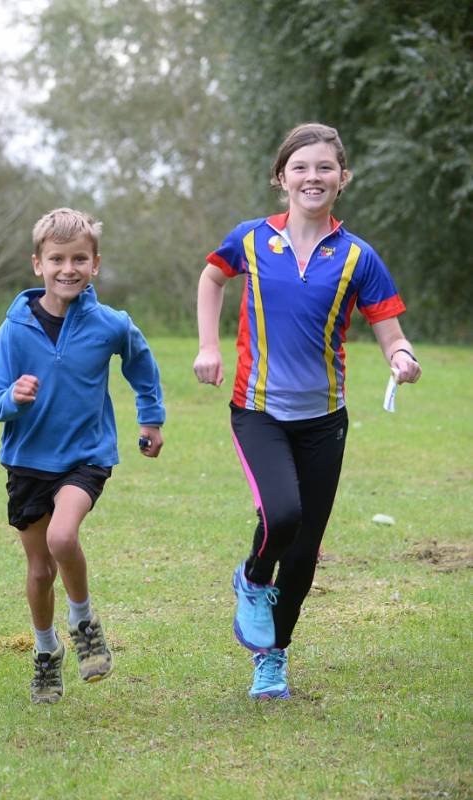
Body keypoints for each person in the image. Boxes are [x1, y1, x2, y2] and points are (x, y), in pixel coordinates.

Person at [194, 122, 422, 700]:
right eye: (300, 167)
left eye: (324, 167)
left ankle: (273, 658)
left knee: (303, 551)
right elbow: (212, 276)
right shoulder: (250, 240)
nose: (312, 177)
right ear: (281, 178)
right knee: (283, 513)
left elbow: (390, 332)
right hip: (258, 411)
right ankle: (250, 579)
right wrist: (208, 345)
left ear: (342, 178)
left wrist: (403, 358)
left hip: (325, 422)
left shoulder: (358, 257)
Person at [0, 208, 165, 704]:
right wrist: (11, 398)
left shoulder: (109, 324)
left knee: (64, 536)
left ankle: (83, 621)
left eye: (79, 258)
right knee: (39, 571)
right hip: (27, 461)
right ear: (37, 264)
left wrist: (150, 417)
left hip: (86, 456)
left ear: (95, 264)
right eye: (57, 259)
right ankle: (45, 651)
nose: (68, 269)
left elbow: (141, 362)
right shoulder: (14, 328)